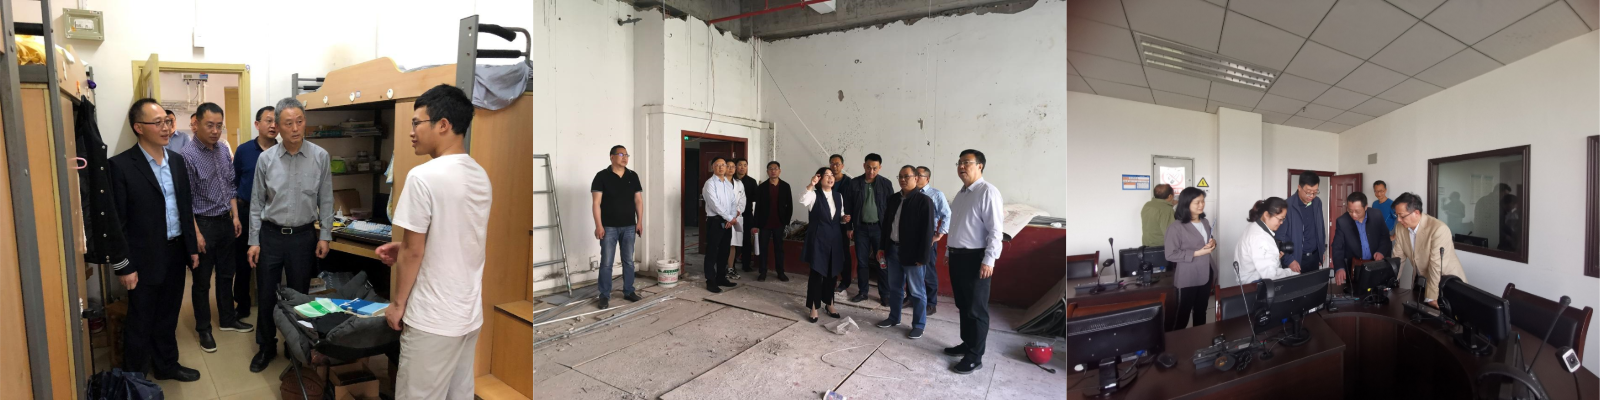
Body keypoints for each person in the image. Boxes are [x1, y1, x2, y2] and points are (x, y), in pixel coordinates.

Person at [372, 84, 493, 400]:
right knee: (458, 394)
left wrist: (397, 304)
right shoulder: (480, 175)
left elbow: (414, 250)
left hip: (433, 318)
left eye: (417, 123)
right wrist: (403, 249)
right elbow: (457, 237)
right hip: (468, 315)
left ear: (443, 125)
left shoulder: (423, 176)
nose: (412, 132)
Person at [110, 98, 201, 382]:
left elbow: (184, 207)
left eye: (168, 122)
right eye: (158, 122)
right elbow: (116, 223)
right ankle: (134, 380)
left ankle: (166, 366)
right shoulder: (120, 166)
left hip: (175, 252)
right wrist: (124, 266)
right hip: (142, 258)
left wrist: (191, 247)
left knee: (168, 316)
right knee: (140, 321)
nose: (166, 128)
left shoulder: (177, 161)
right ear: (139, 127)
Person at [247, 98, 334, 373]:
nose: (295, 128)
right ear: (277, 126)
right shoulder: (266, 159)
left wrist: (325, 235)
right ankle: (266, 346)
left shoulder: (320, 156)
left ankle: (296, 345)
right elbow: (256, 203)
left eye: (299, 121)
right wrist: (253, 241)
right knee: (266, 295)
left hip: (303, 237)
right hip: (270, 236)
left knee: (300, 297)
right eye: (288, 123)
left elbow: (326, 199)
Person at [179, 102, 253, 355]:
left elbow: (230, 186)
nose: (215, 130)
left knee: (226, 274)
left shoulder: (222, 149)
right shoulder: (187, 156)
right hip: (203, 223)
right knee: (202, 281)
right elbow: (186, 200)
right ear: (196, 124)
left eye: (219, 126)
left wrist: (235, 216)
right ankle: (203, 329)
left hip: (225, 221)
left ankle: (227, 319)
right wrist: (196, 234)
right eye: (209, 125)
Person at [944, 149, 1003, 375]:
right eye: (959, 162)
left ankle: (975, 356)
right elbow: (957, 226)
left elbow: (995, 230)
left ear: (980, 165)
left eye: (966, 162)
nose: (961, 166)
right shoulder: (961, 194)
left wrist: (989, 260)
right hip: (958, 257)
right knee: (963, 305)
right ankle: (967, 343)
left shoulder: (988, 192)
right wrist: (949, 251)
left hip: (976, 259)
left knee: (976, 309)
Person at [876, 166, 935, 339]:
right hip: (892, 250)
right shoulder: (893, 199)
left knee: (917, 291)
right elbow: (886, 226)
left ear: (916, 178)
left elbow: (928, 232)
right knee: (895, 288)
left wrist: (923, 256)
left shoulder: (924, 201)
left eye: (906, 176)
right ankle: (894, 318)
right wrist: (882, 248)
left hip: (913, 254)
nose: (902, 179)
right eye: (900, 176)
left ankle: (919, 325)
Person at [232, 106, 276, 321]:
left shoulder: (283, 151)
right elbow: (233, 182)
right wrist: (235, 215)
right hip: (245, 210)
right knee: (242, 262)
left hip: (270, 215)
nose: (273, 125)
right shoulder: (244, 151)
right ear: (257, 124)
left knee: (269, 261)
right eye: (268, 120)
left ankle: (271, 304)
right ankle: (242, 304)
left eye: (276, 121)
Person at [1391, 193, 1468, 307]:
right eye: (1396, 215)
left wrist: (1431, 297)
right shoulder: (1400, 228)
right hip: (1422, 280)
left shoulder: (1438, 229)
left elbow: (1436, 266)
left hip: (1445, 282)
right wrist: (1389, 282)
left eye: (1402, 216)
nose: (1398, 219)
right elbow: (1398, 258)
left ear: (1416, 212)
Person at [590, 145, 644, 310]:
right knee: (607, 262)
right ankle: (604, 295)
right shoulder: (601, 176)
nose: (625, 157)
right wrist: (598, 225)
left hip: (629, 226)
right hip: (609, 227)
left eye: (626, 155)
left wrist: (639, 221)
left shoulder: (633, 176)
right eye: (621, 154)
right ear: (611, 157)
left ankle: (629, 291)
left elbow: (638, 200)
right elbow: (596, 203)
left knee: (629, 261)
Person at [1164, 187, 1215, 330]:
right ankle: (1177, 342)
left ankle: (1199, 340)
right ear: (1186, 204)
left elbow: (1206, 241)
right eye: (1197, 202)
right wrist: (1196, 253)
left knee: (1201, 311)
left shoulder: (1205, 222)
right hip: (1188, 275)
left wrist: (1213, 243)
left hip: (1206, 272)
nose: (1201, 205)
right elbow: (1170, 254)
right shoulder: (1176, 227)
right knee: (1183, 314)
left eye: (1203, 201)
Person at [800, 167, 846, 323]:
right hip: (818, 239)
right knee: (817, 272)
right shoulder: (814, 195)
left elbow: (839, 215)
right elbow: (803, 200)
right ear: (820, 179)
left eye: (832, 175)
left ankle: (829, 303)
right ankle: (814, 307)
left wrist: (844, 218)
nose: (830, 177)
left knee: (832, 272)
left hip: (835, 239)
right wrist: (811, 184)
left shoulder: (838, 196)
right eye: (826, 175)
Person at [846, 153, 892, 304]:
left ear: (880, 168)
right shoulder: (855, 183)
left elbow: (891, 208)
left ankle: (885, 294)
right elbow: (849, 206)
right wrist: (849, 227)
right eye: (868, 167)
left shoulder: (886, 184)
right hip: (861, 229)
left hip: (880, 229)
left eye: (874, 168)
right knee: (862, 261)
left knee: (882, 261)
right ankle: (863, 292)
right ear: (864, 166)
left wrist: (889, 230)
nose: (871, 171)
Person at [1331, 192, 1392, 286]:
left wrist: (1381, 251)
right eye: (1350, 211)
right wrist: (1339, 268)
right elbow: (1337, 247)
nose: (1353, 214)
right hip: (1355, 266)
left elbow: (1385, 236)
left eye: (1357, 211)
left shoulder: (1376, 215)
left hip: (1376, 264)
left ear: (1365, 207)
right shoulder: (1342, 221)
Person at [701, 157, 740, 293]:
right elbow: (714, 204)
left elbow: (733, 202)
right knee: (712, 251)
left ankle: (721, 277)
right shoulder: (709, 184)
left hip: (727, 222)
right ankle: (710, 280)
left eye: (723, 165)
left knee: (724, 250)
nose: (721, 167)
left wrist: (731, 218)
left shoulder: (728, 184)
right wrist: (729, 218)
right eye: (717, 165)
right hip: (715, 221)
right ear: (712, 167)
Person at [915, 166, 950, 315]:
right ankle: (911, 297)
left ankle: (931, 303)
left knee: (928, 271)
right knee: (911, 269)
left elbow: (947, 215)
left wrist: (939, 236)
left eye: (919, 175)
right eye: (914, 174)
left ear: (927, 178)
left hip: (928, 238)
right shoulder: (910, 193)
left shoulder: (936, 194)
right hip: (911, 238)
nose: (915, 177)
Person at [1236, 197, 1295, 283]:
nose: (1282, 222)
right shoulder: (1261, 238)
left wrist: (1274, 257)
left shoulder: (1254, 226)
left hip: (1246, 280)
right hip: (1254, 283)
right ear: (1266, 215)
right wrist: (1292, 273)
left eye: (1283, 219)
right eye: (1280, 219)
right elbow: (1271, 276)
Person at [1276, 171, 1325, 275]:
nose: (1312, 195)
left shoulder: (1317, 203)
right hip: (1296, 260)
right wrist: (1289, 260)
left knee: (1315, 285)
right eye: (1308, 192)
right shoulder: (1287, 206)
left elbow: (1321, 228)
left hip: (1314, 257)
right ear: (1299, 187)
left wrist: (1321, 251)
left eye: (1315, 192)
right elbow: (1280, 237)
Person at [753, 161, 793, 282]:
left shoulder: (785, 186)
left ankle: (780, 272)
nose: (773, 171)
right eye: (770, 169)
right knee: (763, 248)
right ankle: (763, 272)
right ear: (767, 172)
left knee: (779, 248)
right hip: (764, 223)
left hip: (779, 223)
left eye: (775, 168)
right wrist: (756, 224)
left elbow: (790, 205)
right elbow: (757, 207)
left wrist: (786, 221)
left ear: (779, 171)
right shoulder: (762, 187)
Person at [828, 154, 855, 293]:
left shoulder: (849, 182)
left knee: (844, 252)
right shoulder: (827, 180)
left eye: (837, 164)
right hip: (829, 223)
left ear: (842, 166)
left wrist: (850, 226)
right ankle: (831, 279)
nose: (835, 166)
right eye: (832, 163)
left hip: (844, 223)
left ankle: (845, 281)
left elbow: (852, 204)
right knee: (829, 252)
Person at [725, 159, 749, 281]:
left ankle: (730, 268)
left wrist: (738, 211)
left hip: (736, 218)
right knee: (723, 244)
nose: (731, 169)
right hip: (724, 218)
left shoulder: (739, 183)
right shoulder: (719, 182)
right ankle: (721, 268)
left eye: (733, 166)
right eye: (728, 166)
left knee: (733, 244)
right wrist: (729, 216)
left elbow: (742, 200)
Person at [735, 158, 760, 273]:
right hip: (733, 215)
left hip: (747, 214)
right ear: (736, 166)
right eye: (740, 165)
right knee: (731, 240)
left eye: (745, 165)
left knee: (746, 240)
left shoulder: (751, 181)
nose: (742, 167)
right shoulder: (731, 180)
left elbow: (756, 197)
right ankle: (730, 265)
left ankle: (746, 264)